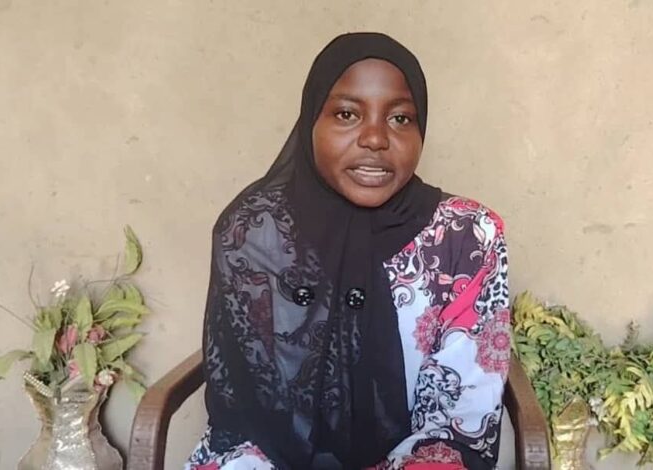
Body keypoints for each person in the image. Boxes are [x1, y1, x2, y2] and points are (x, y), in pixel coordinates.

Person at [186, 32, 510, 470]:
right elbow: (244, 410)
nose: (375, 138)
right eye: (346, 114)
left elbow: (460, 417)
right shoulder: (254, 231)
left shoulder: (467, 236)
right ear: (311, 122)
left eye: (400, 118)